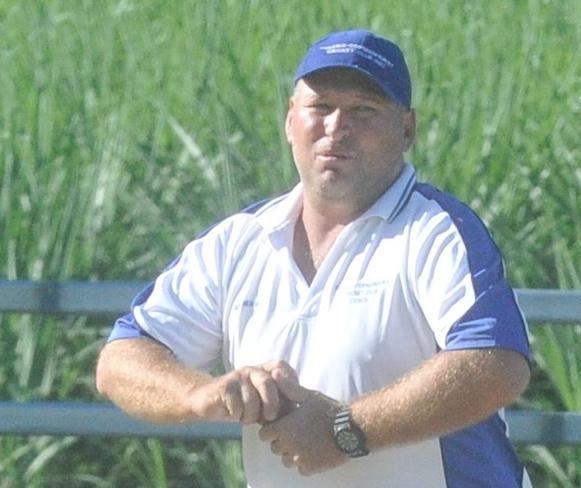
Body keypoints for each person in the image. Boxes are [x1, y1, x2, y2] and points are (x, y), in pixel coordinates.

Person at [96, 29, 533, 487]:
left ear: (407, 129)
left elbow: (495, 363)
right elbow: (121, 360)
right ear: (290, 121)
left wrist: (344, 430)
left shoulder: (437, 230)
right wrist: (203, 394)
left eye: (363, 109)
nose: (336, 126)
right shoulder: (237, 242)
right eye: (320, 106)